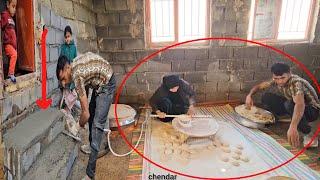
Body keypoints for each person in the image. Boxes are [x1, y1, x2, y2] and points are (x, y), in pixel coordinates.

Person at [56, 52, 115, 180]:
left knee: (97, 126)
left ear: (67, 68)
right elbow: (87, 85)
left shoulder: (76, 75)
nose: (64, 83)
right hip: (98, 83)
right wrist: (86, 106)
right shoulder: (75, 65)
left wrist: (78, 125)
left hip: (107, 83)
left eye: (63, 78)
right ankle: (92, 145)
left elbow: (85, 114)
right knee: (92, 113)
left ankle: (90, 174)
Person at [246, 63, 320, 148]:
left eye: (283, 78)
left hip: (312, 111)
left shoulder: (296, 83)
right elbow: (259, 86)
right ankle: (280, 119)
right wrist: (249, 95)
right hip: (293, 104)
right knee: (267, 97)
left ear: (289, 73)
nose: (280, 81)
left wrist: (293, 127)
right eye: (276, 78)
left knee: (290, 104)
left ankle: (308, 134)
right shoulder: (276, 79)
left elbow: (300, 105)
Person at [1, 0, 17, 83]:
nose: (14, 9)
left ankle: (9, 74)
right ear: (7, 5)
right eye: (13, 6)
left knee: (13, 57)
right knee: (14, 55)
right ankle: (11, 73)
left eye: (15, 7)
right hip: (8, 44)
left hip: (12, 45)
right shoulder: (5, 15)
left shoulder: (12, 19)